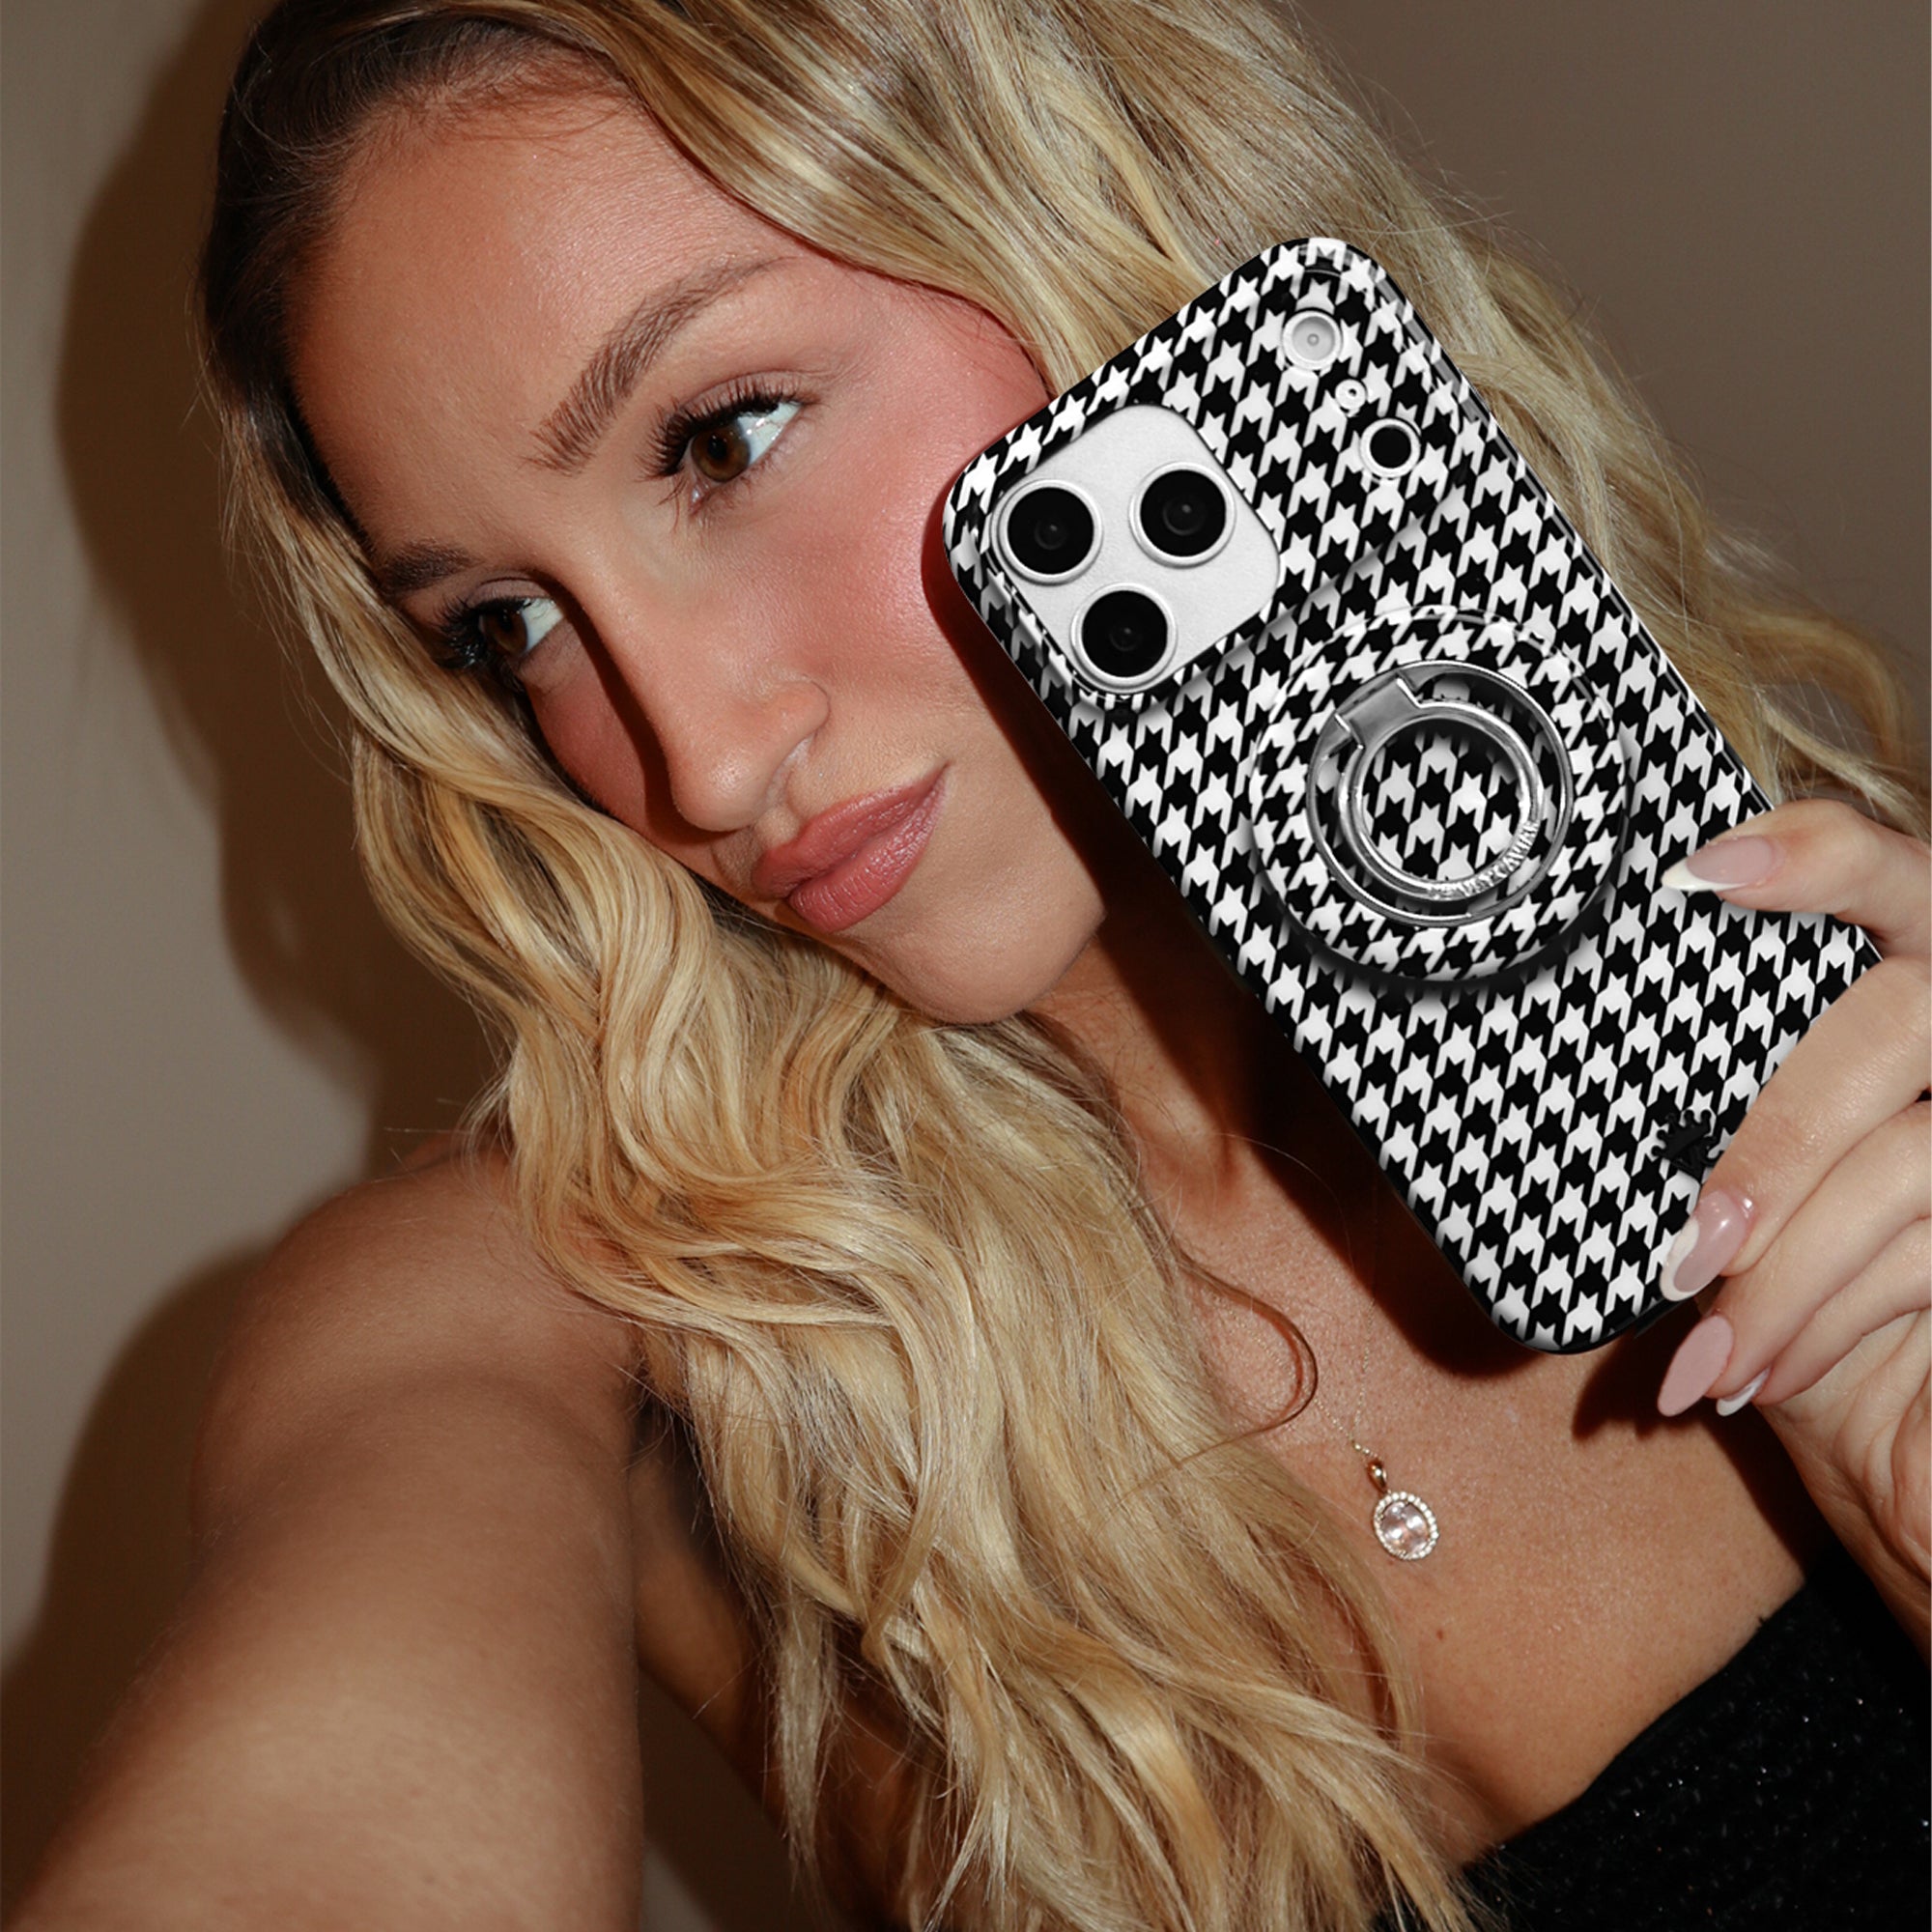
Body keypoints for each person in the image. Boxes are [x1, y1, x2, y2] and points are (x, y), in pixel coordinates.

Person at [15, 4, 1929, 1928]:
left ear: (1095, 230)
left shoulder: (1851, 988)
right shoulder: (618, 1305)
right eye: (508, 624)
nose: (697, 762)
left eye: (724, 436)